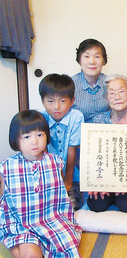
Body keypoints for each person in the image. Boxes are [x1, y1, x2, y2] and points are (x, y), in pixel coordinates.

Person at [0, 110, 81, 257]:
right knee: (31, 254)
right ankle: (16, 245)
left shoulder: (55, 162)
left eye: (39, 135)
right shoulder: (7, 167)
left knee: (68, 246)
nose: (35, 141)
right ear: (15, 140)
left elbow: (59, 192)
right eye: (27, 136)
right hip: (22, 223)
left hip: (52, 219)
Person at [87, 74, 127, 212]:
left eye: (122, 91)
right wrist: (95, 181)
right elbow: (91, 158)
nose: (117, 97)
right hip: (104, 178)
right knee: (96, 205)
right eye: (111, 93)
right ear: (106, 98)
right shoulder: (97, 122)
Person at [39, 73, 84, 210]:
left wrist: (68, 182)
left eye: (62, 101)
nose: (56, 107)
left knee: (71, 206)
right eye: (50, 101)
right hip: (48, 174)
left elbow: (72, 151)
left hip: (72, 173)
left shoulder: (76, 117)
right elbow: (43, 153)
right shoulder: (41, 118)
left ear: (72, 101)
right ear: (43, 101)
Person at [72, 38, 110, 123]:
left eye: (97, 56)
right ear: (79, 60)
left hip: (105, 132)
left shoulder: (110, 83)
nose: (92, 62)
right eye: (86, 56)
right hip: (78, 133)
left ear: (104, 61)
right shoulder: (70, 84)